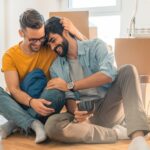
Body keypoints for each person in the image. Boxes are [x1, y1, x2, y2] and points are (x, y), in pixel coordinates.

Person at [44, 16, 150, 150]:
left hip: (108, 106)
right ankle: (117, 133)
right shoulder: (56, 67)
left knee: (128, 70)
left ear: (65, 32)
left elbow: (108, 74)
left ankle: (138, 139)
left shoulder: (96, 46)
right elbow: (68, 97)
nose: (53, 47)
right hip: (84, 116)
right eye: (49, 44)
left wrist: (71, 85)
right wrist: (75, 112)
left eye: (53, 40)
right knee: (51, 125)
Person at [0, 9, 85, 143]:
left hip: (45, 101)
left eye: (41, 38)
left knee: (58, 92)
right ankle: (34, 124)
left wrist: (76, 32)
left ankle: (15, 122)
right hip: (23, 103)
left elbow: (84, 51)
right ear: (21, 33)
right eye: (33, 39)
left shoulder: (51, 46)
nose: (39, 43)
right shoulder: (9, 56)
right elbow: (14, 89)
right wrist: (31, 102)